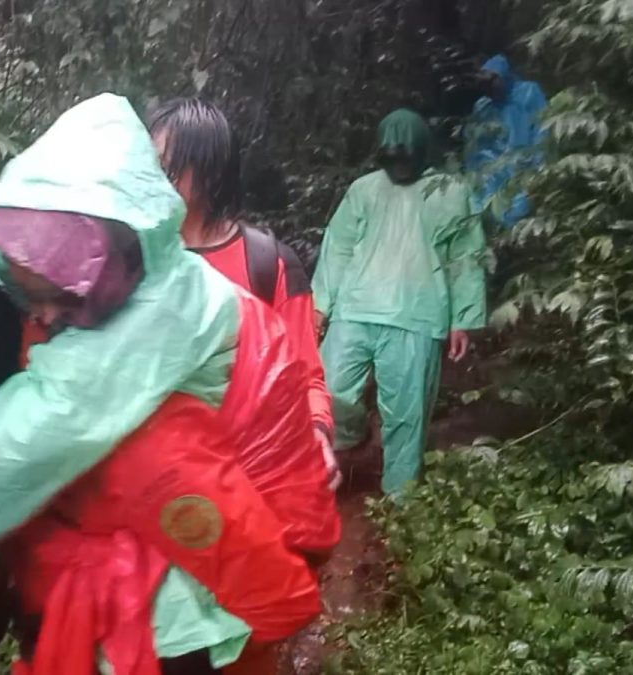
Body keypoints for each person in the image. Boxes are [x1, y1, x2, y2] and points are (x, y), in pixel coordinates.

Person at [0, 94, 334, 674]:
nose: (44, 317)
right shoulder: (63, 296)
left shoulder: (157, 317)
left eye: (60, 302)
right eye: (33, 300)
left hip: (206, 604)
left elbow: (18, 447)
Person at [145, 98, 340, 489]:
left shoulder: (269, 264)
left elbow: (303, 375)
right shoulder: (138, 260)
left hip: (249, 477)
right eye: (148, 167)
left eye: (167, 168)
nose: (153, 181)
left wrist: (316, 432)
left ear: (210, 172)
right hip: (157, 475)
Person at [311, 109, 487, 497]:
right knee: (327, 389)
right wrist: (321, 304)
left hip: (418, 314)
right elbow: (338, 248)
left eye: (405, 157)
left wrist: (463, 319)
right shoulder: (364, 190)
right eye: (390, 158)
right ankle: (342, 449)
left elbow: (466, 257)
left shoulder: (450, 192)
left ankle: (400, 502)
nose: (398, 166)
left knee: (407, 415)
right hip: (355, 308)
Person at [465, 54, 547, 228]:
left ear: (502, 78)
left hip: (524, 172)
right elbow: (475, 152)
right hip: (494, 179)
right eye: (484, 85)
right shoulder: (483, 107)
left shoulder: (528, 94)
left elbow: (542, 132)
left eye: (491, 83)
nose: (488, 89)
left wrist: (540, 173)